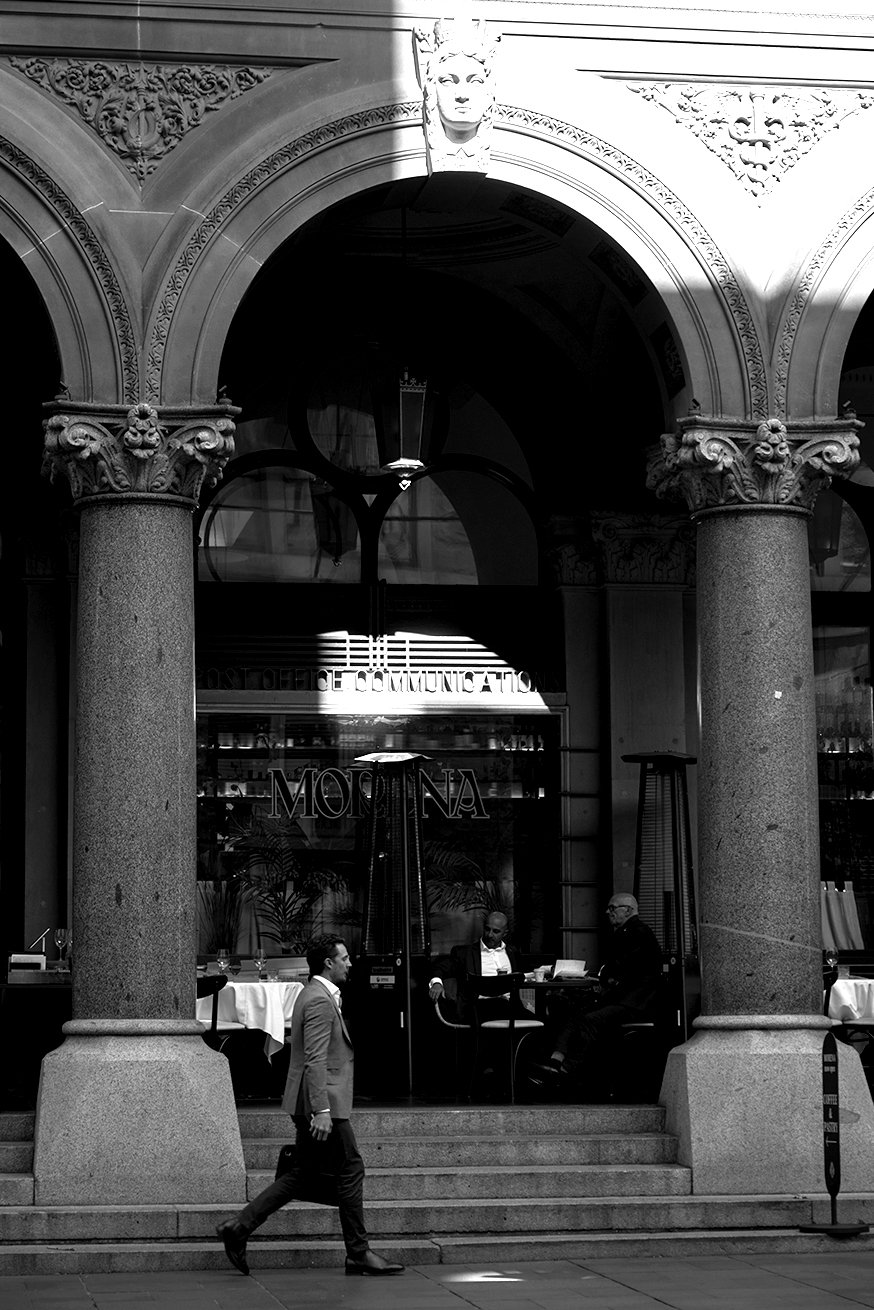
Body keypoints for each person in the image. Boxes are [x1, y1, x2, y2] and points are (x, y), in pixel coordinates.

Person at [215, 935, 404, 1278]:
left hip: (312, 1102)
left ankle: (239, 1227)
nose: (349, 963)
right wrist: (322, 1111)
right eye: (344, 958)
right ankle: (358, 1253)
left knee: (303, 1174)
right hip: (321, 1104)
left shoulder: (314, 994)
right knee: (350, 1168)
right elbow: (315, 1059)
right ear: (328, 963)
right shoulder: (318, 999)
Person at [531, 894, 662, 1093]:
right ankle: (555, 1062)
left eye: (613, 908)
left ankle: (566, 1071)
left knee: (589, 1019)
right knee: (575, 1013)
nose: (607, 912)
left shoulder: (637, 932)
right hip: (623, 999)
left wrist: (607, 979)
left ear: (628, 910)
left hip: (634, 1004)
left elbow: (621, 968)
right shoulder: (628, 932)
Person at [428, 910, 530, 1024]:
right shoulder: (465, 953)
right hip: (478, 1008)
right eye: (487, 929)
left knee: (542, 1023)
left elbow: (525, 974)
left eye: (496, 931)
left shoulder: (512, 952)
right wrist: (437, 983)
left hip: (510, 1006)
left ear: (505, 933)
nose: (490, 934)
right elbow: (439, 967)